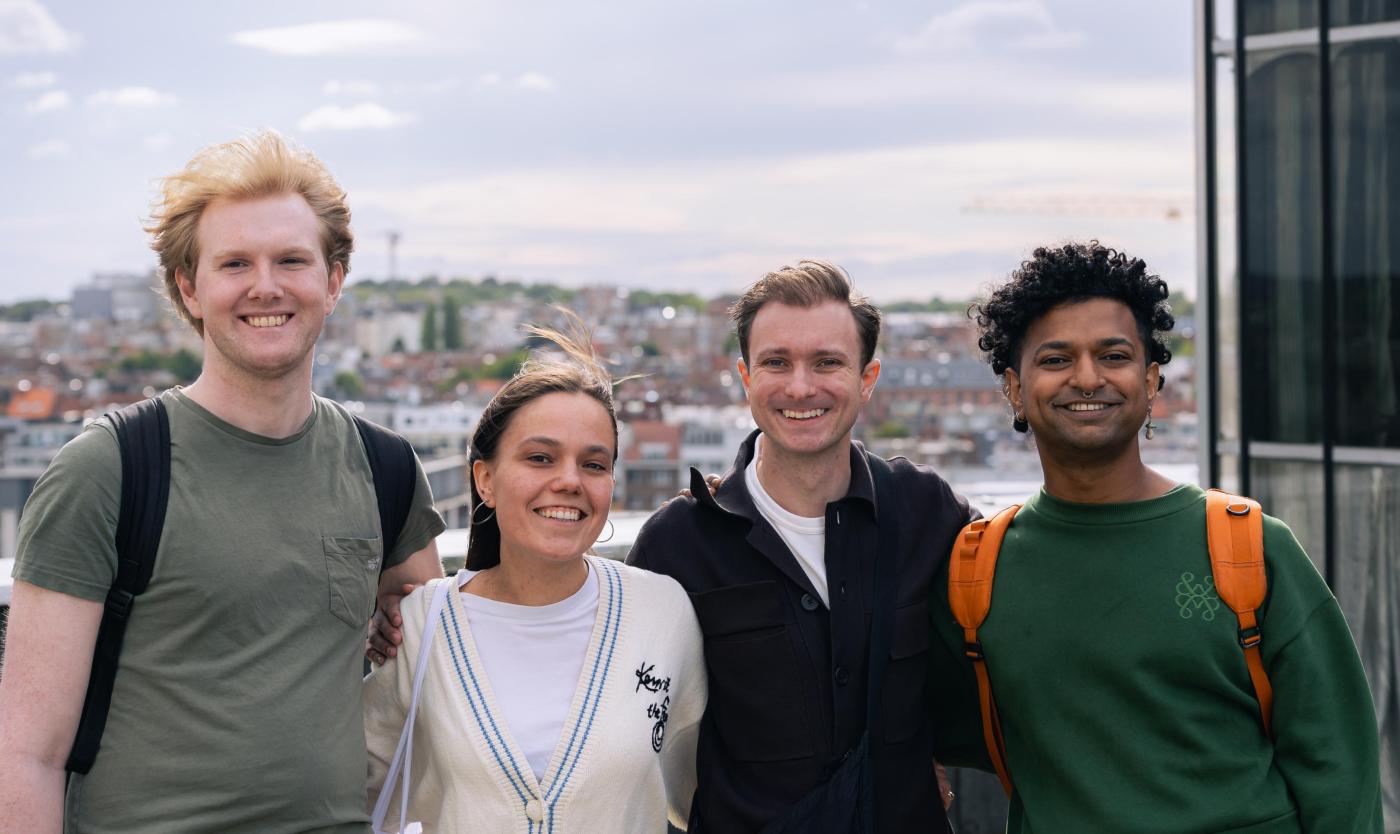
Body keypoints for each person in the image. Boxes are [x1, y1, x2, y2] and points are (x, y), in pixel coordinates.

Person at [0, 131, 446, 833]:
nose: (265, 286)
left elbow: (428, 657)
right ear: (190, 288)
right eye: (235, 262)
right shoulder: (110, 469)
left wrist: (381, 620)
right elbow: (28, 754)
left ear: (332, 283)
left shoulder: (385, 469)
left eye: (292, 260)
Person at [928, 240, 1383, 832]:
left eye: (1113, 356)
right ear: (1015, 388)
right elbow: (917, 721)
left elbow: (1339, 771)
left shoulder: (1247, 546)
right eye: (1056, 359)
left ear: (1151, 380)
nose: (1087, 378)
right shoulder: (977, 569)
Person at [626, 261, 973, 833]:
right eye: (776, 363)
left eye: (828, 362)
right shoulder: (679, 545)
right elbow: (636, 734)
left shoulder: (925, 510)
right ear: (744, 377)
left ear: (868, 378)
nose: (801, 386)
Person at [363, 319, 705, 833]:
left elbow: (704, 791)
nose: (568, 481)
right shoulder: (416, 627)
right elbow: (351, 790)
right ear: (485, 479)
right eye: (540, 458)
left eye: (594, 464)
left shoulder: (663, 614)